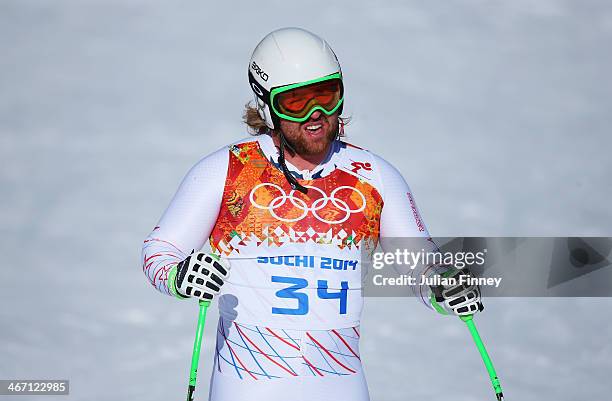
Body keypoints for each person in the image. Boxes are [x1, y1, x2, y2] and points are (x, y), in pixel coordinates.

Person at [141, 27, 482, 401]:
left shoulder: (373, 175)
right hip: (247, 385)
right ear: (267, 106)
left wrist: (443, 283)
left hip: (340, 385)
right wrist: (179, 276)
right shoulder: (225, 170)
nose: (316, 115)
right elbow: (160, 250)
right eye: (296, 103)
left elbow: (419, 261)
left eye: (326, 96)